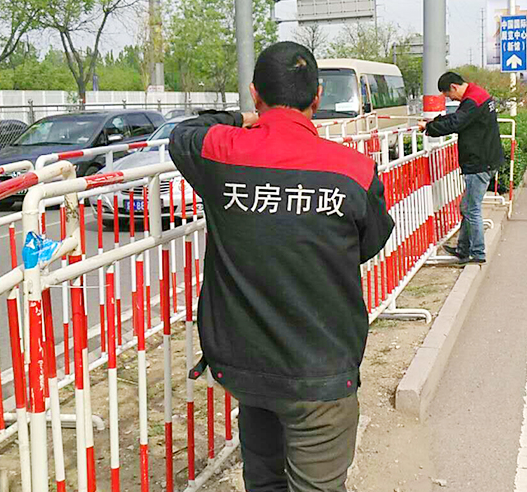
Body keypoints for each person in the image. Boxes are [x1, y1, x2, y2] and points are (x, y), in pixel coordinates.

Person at [170, 41, 394, 492]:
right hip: (320, 371)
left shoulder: (220, 152)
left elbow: (184, 133)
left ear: (255, 95)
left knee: (264, 481)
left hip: (245, 366)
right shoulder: (354, 171)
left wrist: (242, 120)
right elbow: (368, 244)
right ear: (317, 97)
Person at [422, 72, 504, 264]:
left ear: (454, 86)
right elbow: (459, 118)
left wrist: (429, 128)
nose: (451, 99)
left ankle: (478, 253)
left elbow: (456, 123)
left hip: (479, 161)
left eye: (449, 95)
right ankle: (463, 249)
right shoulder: (477, 95)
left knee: (471, 209)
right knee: (466, 207)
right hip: (486, 158)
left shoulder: (473, 100)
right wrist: (433, 123)